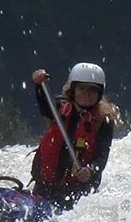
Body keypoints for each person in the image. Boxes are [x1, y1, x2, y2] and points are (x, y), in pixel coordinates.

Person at [29, 61, 119, 210]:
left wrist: (90, 171)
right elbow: (44, 105)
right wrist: (39, 85)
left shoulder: (103, 121)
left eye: (92, 90)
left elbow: (102, 157)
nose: (86, 93)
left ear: (99, 93)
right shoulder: (58, 108)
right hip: (45, 186)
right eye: (82, 88)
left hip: (77, 191)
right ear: (73, 90)